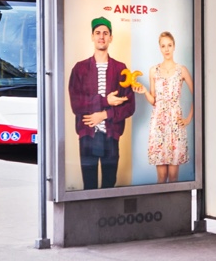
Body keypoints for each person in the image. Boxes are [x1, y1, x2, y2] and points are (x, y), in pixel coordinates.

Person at [68, 17, 135, 190]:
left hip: (111, 137)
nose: (101, 37)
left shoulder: (121, 69)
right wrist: (106, 101)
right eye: (98, 33)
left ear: (111, 37)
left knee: (109, 186)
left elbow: (130, 105)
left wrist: (105, 115)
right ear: (92, 36)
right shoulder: (80, 68)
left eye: (105, 33)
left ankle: (108, 217)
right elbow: (76, 104)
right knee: (88, 186)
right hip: (87, 136)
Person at [135, 31, 194, 183]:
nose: (166, 49)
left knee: (173, 177)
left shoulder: (182, 70)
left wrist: (188, 119)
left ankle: (173, 207)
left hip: (175, 125)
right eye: (163, 46)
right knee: (161, 177)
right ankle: (160, 207)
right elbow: (154, 100)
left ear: (174, 47)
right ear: (159, 48)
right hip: (158, 125)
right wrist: (145, 92)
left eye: (169, 45)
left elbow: (197, 94)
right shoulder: (154, 70)